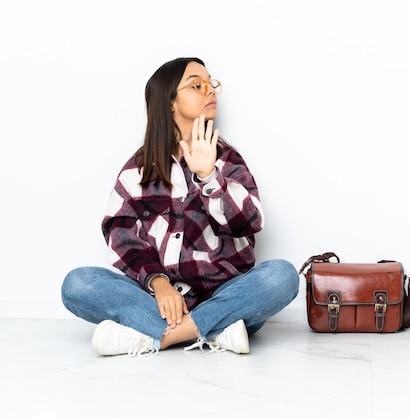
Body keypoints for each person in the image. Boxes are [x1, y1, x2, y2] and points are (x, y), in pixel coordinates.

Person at [61, 57, 299, 357]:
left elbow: (249, 223)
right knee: (77, 284)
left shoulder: (229, 161)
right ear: (169, 102)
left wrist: (208, 176)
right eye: (196, 85)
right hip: (157, 301)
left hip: (224, 296)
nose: (210, 91)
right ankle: (215, 332)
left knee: (282, 276)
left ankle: (160, 337)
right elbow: (120, 234)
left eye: (211, 84)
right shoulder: (138, 170)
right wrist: (159, 284)